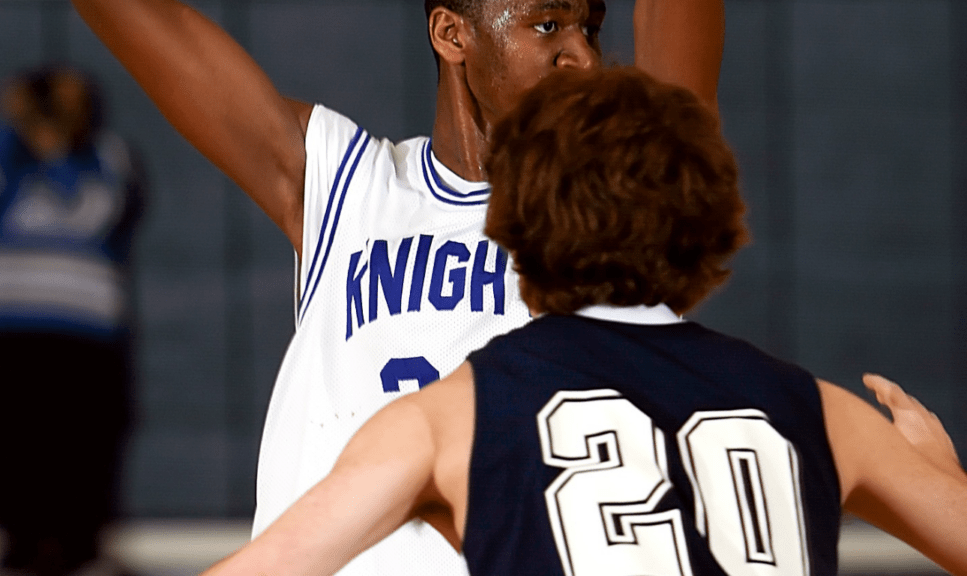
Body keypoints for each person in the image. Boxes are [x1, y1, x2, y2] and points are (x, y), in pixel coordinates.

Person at [197, 66, 967, 576]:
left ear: (516, 227)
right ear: (711, 216)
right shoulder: (824, 414)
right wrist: (947, 479)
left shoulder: (448, 420)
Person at [70, 0, 724, 573]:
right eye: (548, 24)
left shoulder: (621, 212)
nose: (581, 54)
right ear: (451, 34)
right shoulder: (346, 187)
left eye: (591, 28)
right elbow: (144, 22)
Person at [0, 65, 145, 576]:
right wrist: (11, 124)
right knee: (13, 441)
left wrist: (59, 148)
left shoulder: (107, 156)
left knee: (83, 444)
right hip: (13, 331)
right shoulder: (4, 154)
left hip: (87, 336)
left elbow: (102, 209)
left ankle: (81, 549)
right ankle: (17, 547)